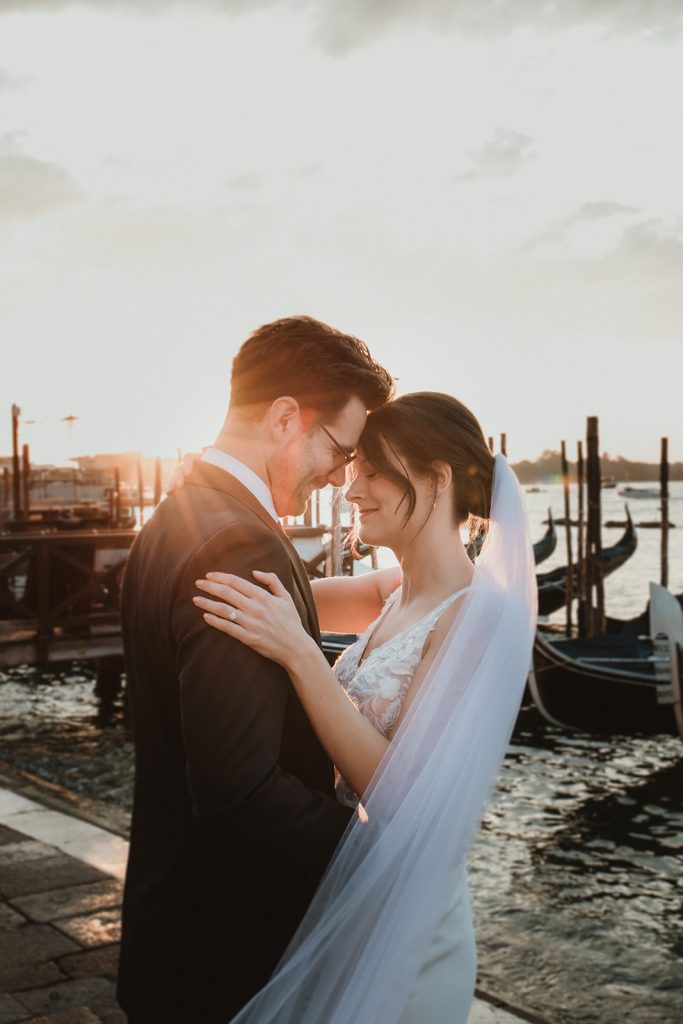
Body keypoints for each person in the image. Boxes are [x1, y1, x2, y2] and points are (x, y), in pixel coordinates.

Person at [192, 391, 538, 1023]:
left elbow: (397, 788)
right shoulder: (393, 590)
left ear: (436, 479)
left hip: (413, 926)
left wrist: (301, 656)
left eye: (374, 471)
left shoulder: (477, 615)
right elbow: (272, 589)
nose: (351, 490)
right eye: (353, 470)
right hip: (353, 888)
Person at [116, 316, 395, 1024]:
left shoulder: (181, 515)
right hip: (225, 947)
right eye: (340, 450)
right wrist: (377, 850)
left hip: (173, 920)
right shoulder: (240, 544)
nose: (340, 476)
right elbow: (238, 788)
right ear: (282, 420)